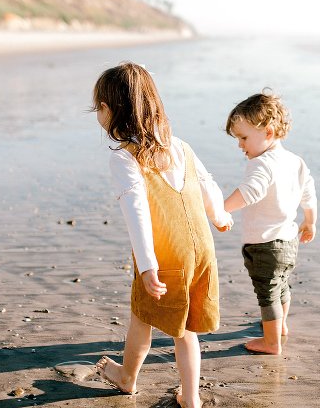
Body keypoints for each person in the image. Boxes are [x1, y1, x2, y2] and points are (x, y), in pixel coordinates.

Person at [92, 62, 233, 407]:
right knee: (185, 330)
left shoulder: (126, 157)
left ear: (110, 110)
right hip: (201, 248)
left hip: (166, 254)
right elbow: (206, 183)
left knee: (142, 315)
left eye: (99, 107)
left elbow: (136, 210)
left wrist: (147, 264)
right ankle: (191, 397)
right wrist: (220, 215)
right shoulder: (180, 146)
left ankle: (127, 377)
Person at [223, 91, 317, 355]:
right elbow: (308, 193)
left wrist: (220, 209)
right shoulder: (295, 161)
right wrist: (310, 222)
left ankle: (271, 342)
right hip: (288, 240)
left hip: (264, 245)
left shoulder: (262, 164)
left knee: (267, 293)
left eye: (244, 138)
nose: (241, 145)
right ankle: (281, 326)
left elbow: (249, 192)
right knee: (282, 285)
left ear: (269, 132)